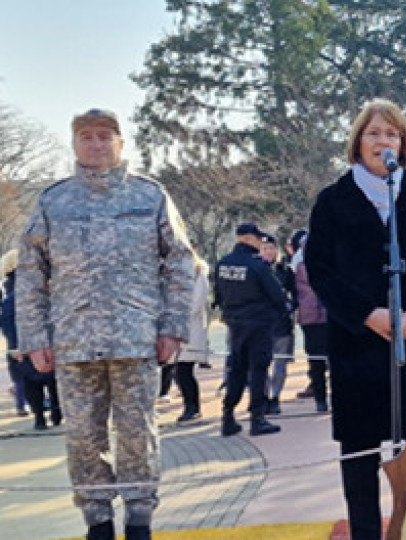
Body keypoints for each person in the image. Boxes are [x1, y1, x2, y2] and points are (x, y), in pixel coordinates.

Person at [16, 108, 194, 540]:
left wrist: (173, 325)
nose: (96, 144)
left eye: (105, 136)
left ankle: (139, 518)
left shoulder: (150, 197)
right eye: (86, 137)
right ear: (75, 144)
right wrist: (35, 337)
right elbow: (30, 273)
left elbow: (180, 261)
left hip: (137, 339)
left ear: (120, 143)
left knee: (137, 433)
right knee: (81, 436)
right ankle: (97, 518)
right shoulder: (53, 201)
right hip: (74, 342)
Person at [304, 98, 406, 539]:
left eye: (392, 134)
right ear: (357, 141)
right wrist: (365, 314)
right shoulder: (333, 201)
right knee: (360, 456)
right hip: (358, 348)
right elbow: (320, 269)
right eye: (374, 133)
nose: (383, 140)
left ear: (403, 144)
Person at [214, 223, 287, 437]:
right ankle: (258, 418)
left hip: (234, 324)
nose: (261, 242)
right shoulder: (257, 265)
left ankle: (228, 416)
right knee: (258, 370)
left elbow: (218, 295)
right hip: (258, 324)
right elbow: (277, 295)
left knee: (236, 369)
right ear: (247, 238)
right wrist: (282, 311)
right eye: (258, 238)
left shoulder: (223, 263)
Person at [3, 249, 61, 429]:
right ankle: (56, 412)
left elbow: (7, 322)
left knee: (30, 382)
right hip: (47, 342)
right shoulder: (43, 289)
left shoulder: (9, 297)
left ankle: (39, 418)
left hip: (21, 346)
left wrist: (15, 345)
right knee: (53, 380)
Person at [260, 234, 298, 415]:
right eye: (265, 249)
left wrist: (290, 306)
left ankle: (275, 397)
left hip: (282, 325)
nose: (269, 252)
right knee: (261, 364)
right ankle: (264, 396)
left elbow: (296, 293)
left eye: (271, 248)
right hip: (261, 325)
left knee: (280, 364)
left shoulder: (285, 271)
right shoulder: (256, 269)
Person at [293, 233, 330, 413]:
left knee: (317, 361)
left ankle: (322, 400)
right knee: (320, 361)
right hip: (320, 319)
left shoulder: (299, 267)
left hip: (312, 319)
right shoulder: (329, 267)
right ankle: (322, 399)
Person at [175, 253, 210, 423]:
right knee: (179, 371)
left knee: (184, 369)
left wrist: (178, 316)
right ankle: (189, 404)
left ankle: (193, 407)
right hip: (176, 329)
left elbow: (197, 302)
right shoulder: (174, 275)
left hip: (191, 328)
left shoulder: (199, 274)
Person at [2, 250, 28, 417]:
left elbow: (5, 320)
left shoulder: (7, 291)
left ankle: (22, 402)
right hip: (26, 335)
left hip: (14, 337)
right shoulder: (24, 289)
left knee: (19, 373)